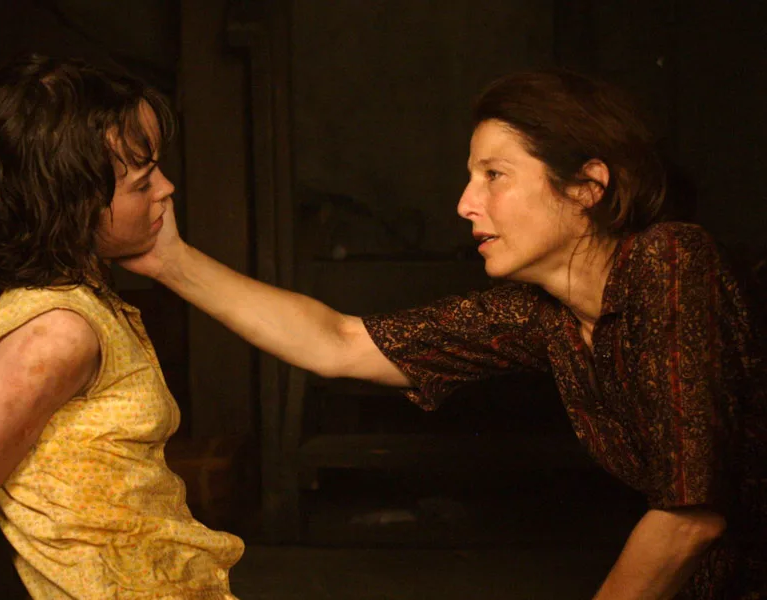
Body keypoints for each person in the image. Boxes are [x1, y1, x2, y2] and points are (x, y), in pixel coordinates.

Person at [117, 70, 767, 598]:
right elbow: (340, 343)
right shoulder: (542, 314)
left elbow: (689, 517)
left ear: (587, 186)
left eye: (494, 175)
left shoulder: (671, 262)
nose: (464, 203)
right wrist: (168, 261)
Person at [0, 55, 243, 600]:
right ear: (74, 207)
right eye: (142, 183)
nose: (167, 189)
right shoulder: (54, 336)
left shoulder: (87, 308)